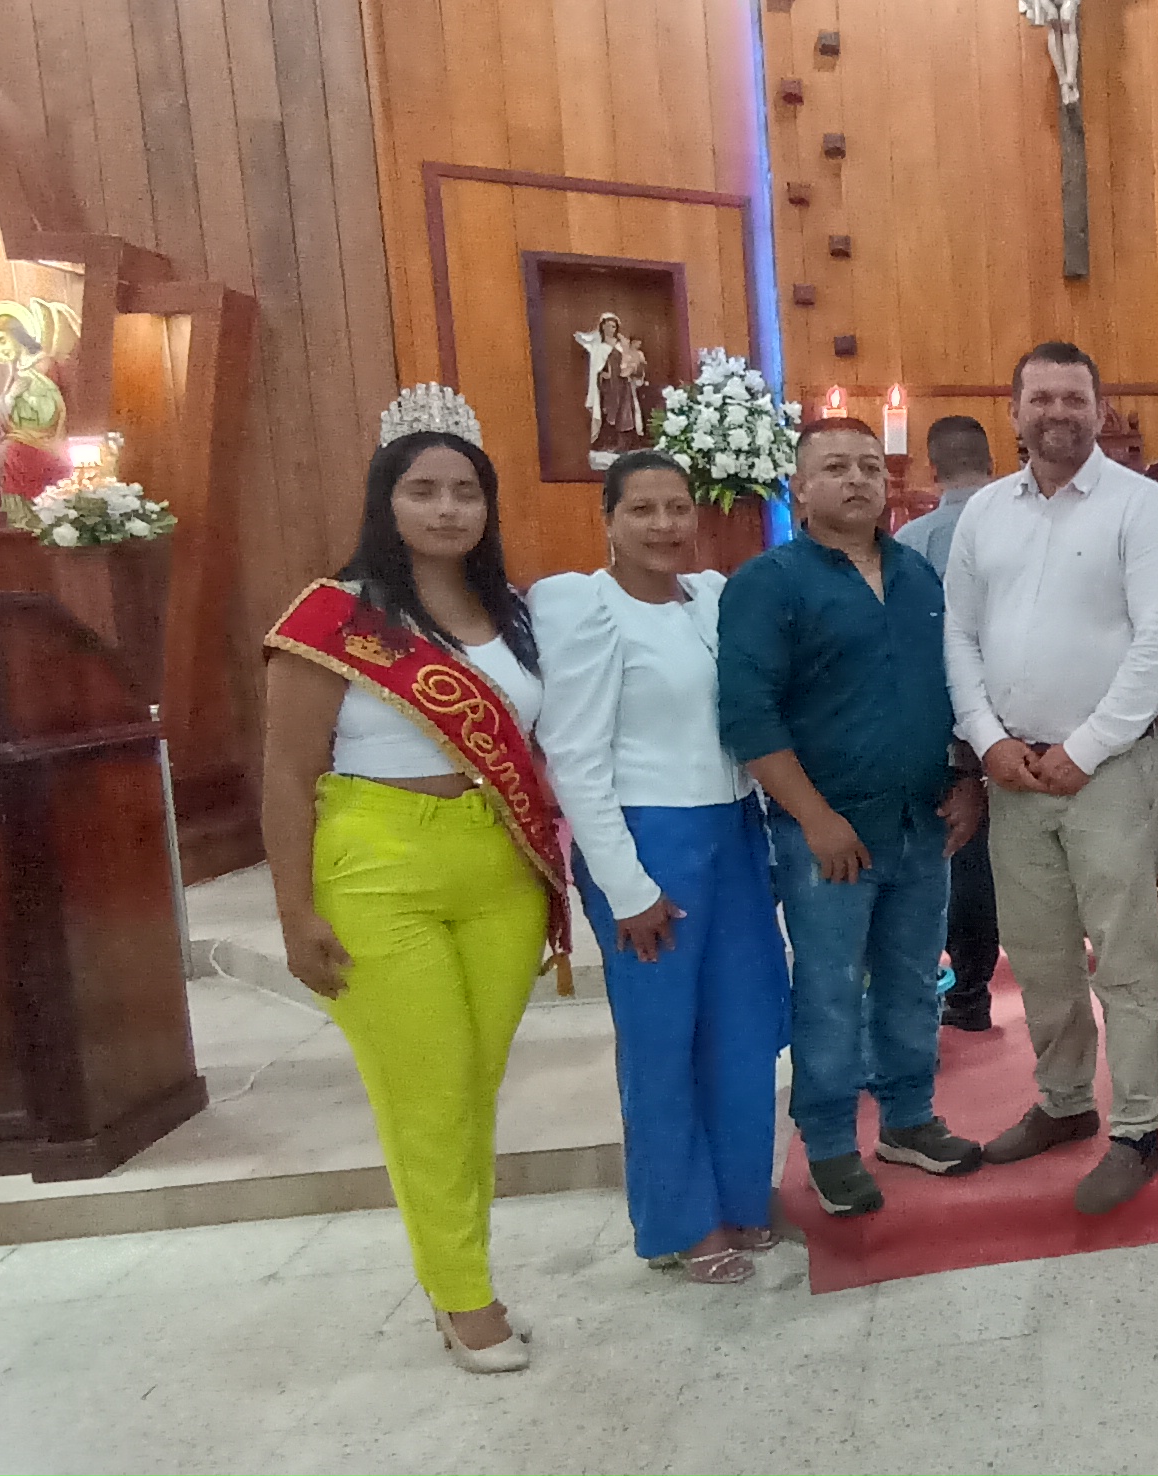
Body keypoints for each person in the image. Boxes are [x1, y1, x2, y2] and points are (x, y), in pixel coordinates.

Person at [260, 393, 562, 1373]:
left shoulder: (513, 614)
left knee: (472, 1087)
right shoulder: (336, 617)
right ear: (384, 502)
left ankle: (454, 1272)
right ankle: (465, 1295)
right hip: (377, 862)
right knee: (425, 1090)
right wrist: (294, 913)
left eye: (465, 491)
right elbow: (286, 775)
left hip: (498, 868)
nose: (446, 509)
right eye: (423, 490)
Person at [944, 342, 1158, 1214]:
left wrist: (1087, 747)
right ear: (1013, 410)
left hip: (1112, 770)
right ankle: (1062, 1101)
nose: (1058, 412)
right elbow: (959, 635)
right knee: (1039, 952)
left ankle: (1137, 1127)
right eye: (1042, 397)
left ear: (1100, 408)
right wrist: (985, 739)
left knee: (1123, 957)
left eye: (1074, 397)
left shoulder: (1143, 507)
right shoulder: (984, 513)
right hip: (1015, 769)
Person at [527, 451, 786, 1283]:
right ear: (607, 518)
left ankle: (740, 1195)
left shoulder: (709, 597)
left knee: (743, 1028)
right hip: (648, 838)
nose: (665, 525)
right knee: (663, 1039)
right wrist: (627, 885)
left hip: (734, 831)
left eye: (678, 508)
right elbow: (574, 754)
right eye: (642, 510)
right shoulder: (586, 609)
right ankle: (683, 1219)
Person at [718, 417, 987, 1219]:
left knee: (913, 981)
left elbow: (954, 685)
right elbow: (748, 715)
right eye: (835, 467)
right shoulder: (769, 583)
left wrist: (966, 777)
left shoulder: (917, 575)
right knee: (831, 991)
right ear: (799, 489)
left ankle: (908, 1119)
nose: (857, 479)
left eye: (870, 466)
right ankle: (831, 1142)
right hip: (827, 833)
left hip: (920, 820)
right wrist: (813, 817)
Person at [895, 414, 1006, 1032]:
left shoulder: (912, 540)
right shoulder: (1016, 522)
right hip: (1023, 714)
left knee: (961, 854)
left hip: (944, 718)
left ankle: (963, 989)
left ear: (931, 469)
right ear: (993, 462)